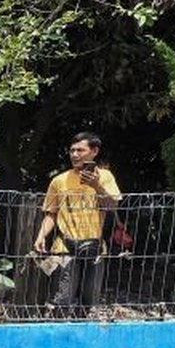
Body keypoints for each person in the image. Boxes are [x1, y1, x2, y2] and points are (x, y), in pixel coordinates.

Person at [32, 131, 121, 317]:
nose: (75, 154)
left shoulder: (105, 177)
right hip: (65, 246)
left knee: (89, 300)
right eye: (72, 150)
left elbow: (113, 205)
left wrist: (97, 186)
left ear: (94, 151)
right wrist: (41, 236)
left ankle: (81, 333)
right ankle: (60, 330)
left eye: (80, 150)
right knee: (62, 297)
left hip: (95, 246)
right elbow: (51, 213)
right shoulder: (59, 180)